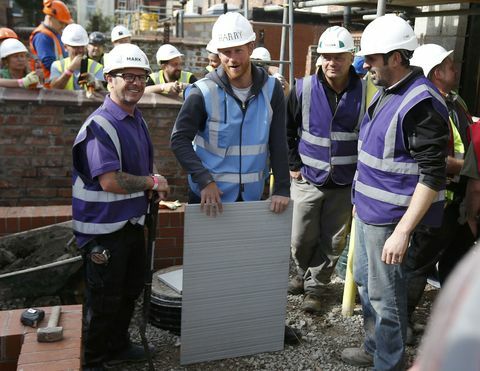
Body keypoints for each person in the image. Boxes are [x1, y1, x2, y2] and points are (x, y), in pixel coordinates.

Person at [340, 15, 450, 370]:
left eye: (372, 58)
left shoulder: (419, 103)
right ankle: (375, 348)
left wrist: (402, 232)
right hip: (372, 214)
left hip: (392, 222)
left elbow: (432, 175)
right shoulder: (392, 91)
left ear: (397, 58)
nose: (365, 64)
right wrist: (359, 202)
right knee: (369, 290)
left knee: (387, 299)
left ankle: (388, 362)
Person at [72, 43, 169, 371]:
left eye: (141, 77)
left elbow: (138, 171)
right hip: (102, 230)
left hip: (128, 223)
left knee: (129, 290)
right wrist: (152, 184)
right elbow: (110, 181)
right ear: (109, 79)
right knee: (103, 300)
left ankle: (117, 345)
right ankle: (95, 360)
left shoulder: (135, 118)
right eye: (127, 76)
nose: (136, 83)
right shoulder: (100, 125)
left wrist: (150, 181)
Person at [170, 11, 290, 216]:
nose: (232, 59)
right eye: (226, 52)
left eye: (238, 50)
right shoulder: (202, 92)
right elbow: (179, 140)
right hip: (207, 197)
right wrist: (204, 180)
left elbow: (278, 142)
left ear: (251, 47)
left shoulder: (272, 90)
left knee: (246, 249)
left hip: (251, 197)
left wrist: (281, 188)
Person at [286, 26, 365, 313]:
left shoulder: (366, 92)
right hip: (308, 178)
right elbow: (287, 130)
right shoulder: (303, 88)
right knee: (299, 237)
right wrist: (293, 165)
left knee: (333, 241)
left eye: (338, 56)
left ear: (350, 56)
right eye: (326, 56)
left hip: (345, 183)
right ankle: (301, 272)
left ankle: (315, 287)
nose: (332, 62)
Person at [405, 43, 475, 334]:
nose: (455, 69)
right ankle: (400, 325)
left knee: (455, 263)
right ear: (435, 72)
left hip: (458, 202)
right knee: (417, 265)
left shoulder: (455, 102)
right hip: (437, 202)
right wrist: (469, 167)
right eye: (448, 65)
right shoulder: (427, 107)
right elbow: (428, 158)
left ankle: (450, 323)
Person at [50, 23, 104, 92]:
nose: (80, 50)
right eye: (76, 47)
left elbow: (102, 94)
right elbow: (54, 89)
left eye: (82, 46)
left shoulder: (97, 67)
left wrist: (96, 84)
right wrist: (70, 70)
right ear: (65, 47)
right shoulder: (57, 66)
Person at [29, 0, 72, 84]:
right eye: (61, 23)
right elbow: (49, 64)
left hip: (56, 84)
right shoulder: (42, 36)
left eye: (65, 24)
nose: (63, 26)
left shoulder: (54, 34)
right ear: (50, 17)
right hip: (47, 86)